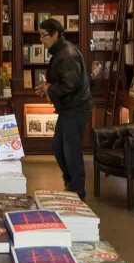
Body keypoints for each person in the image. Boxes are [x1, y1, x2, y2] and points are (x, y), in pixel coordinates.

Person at [34, 17, 92, 200]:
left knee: (70, 150)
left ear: (55, 34)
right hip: (69, 108)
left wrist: (49, 89)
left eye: (44, 36)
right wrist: (49, 88)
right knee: (59, 147)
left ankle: (77, 191)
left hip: (75, 108)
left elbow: (70, 84)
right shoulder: (62, 52)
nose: (41, 40)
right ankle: (71, 183)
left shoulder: (67, 54)